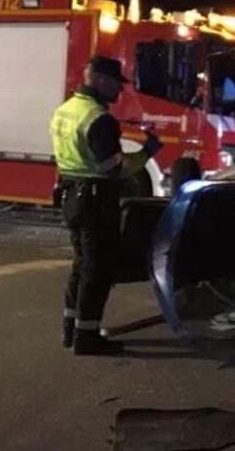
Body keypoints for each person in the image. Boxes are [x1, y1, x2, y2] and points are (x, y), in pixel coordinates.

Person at [50, 56, 162, 355]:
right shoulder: (100, 119)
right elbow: (114, 168)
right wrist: (148, 152)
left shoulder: (65, 111)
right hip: (96, 202)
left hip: (72, 197)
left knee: (80, 264)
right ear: (99, 79)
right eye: (116, 83)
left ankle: (71, 330)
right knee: (97, 270)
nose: (119, 90)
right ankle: (87, 339)